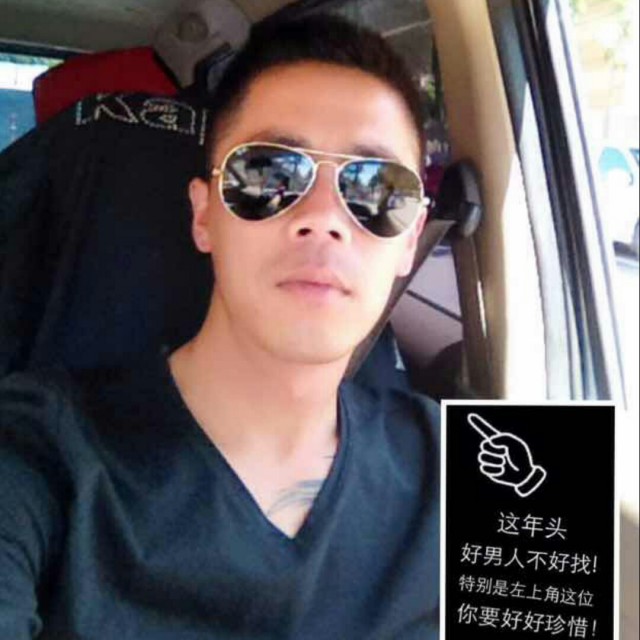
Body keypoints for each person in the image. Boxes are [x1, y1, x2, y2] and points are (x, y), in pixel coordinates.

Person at [0, 14, 440, 640]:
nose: (323, 217)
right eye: (268, 173)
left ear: (410, 240)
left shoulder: (484, 467)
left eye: (377, 189)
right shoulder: (41, 452)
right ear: (203, 216)